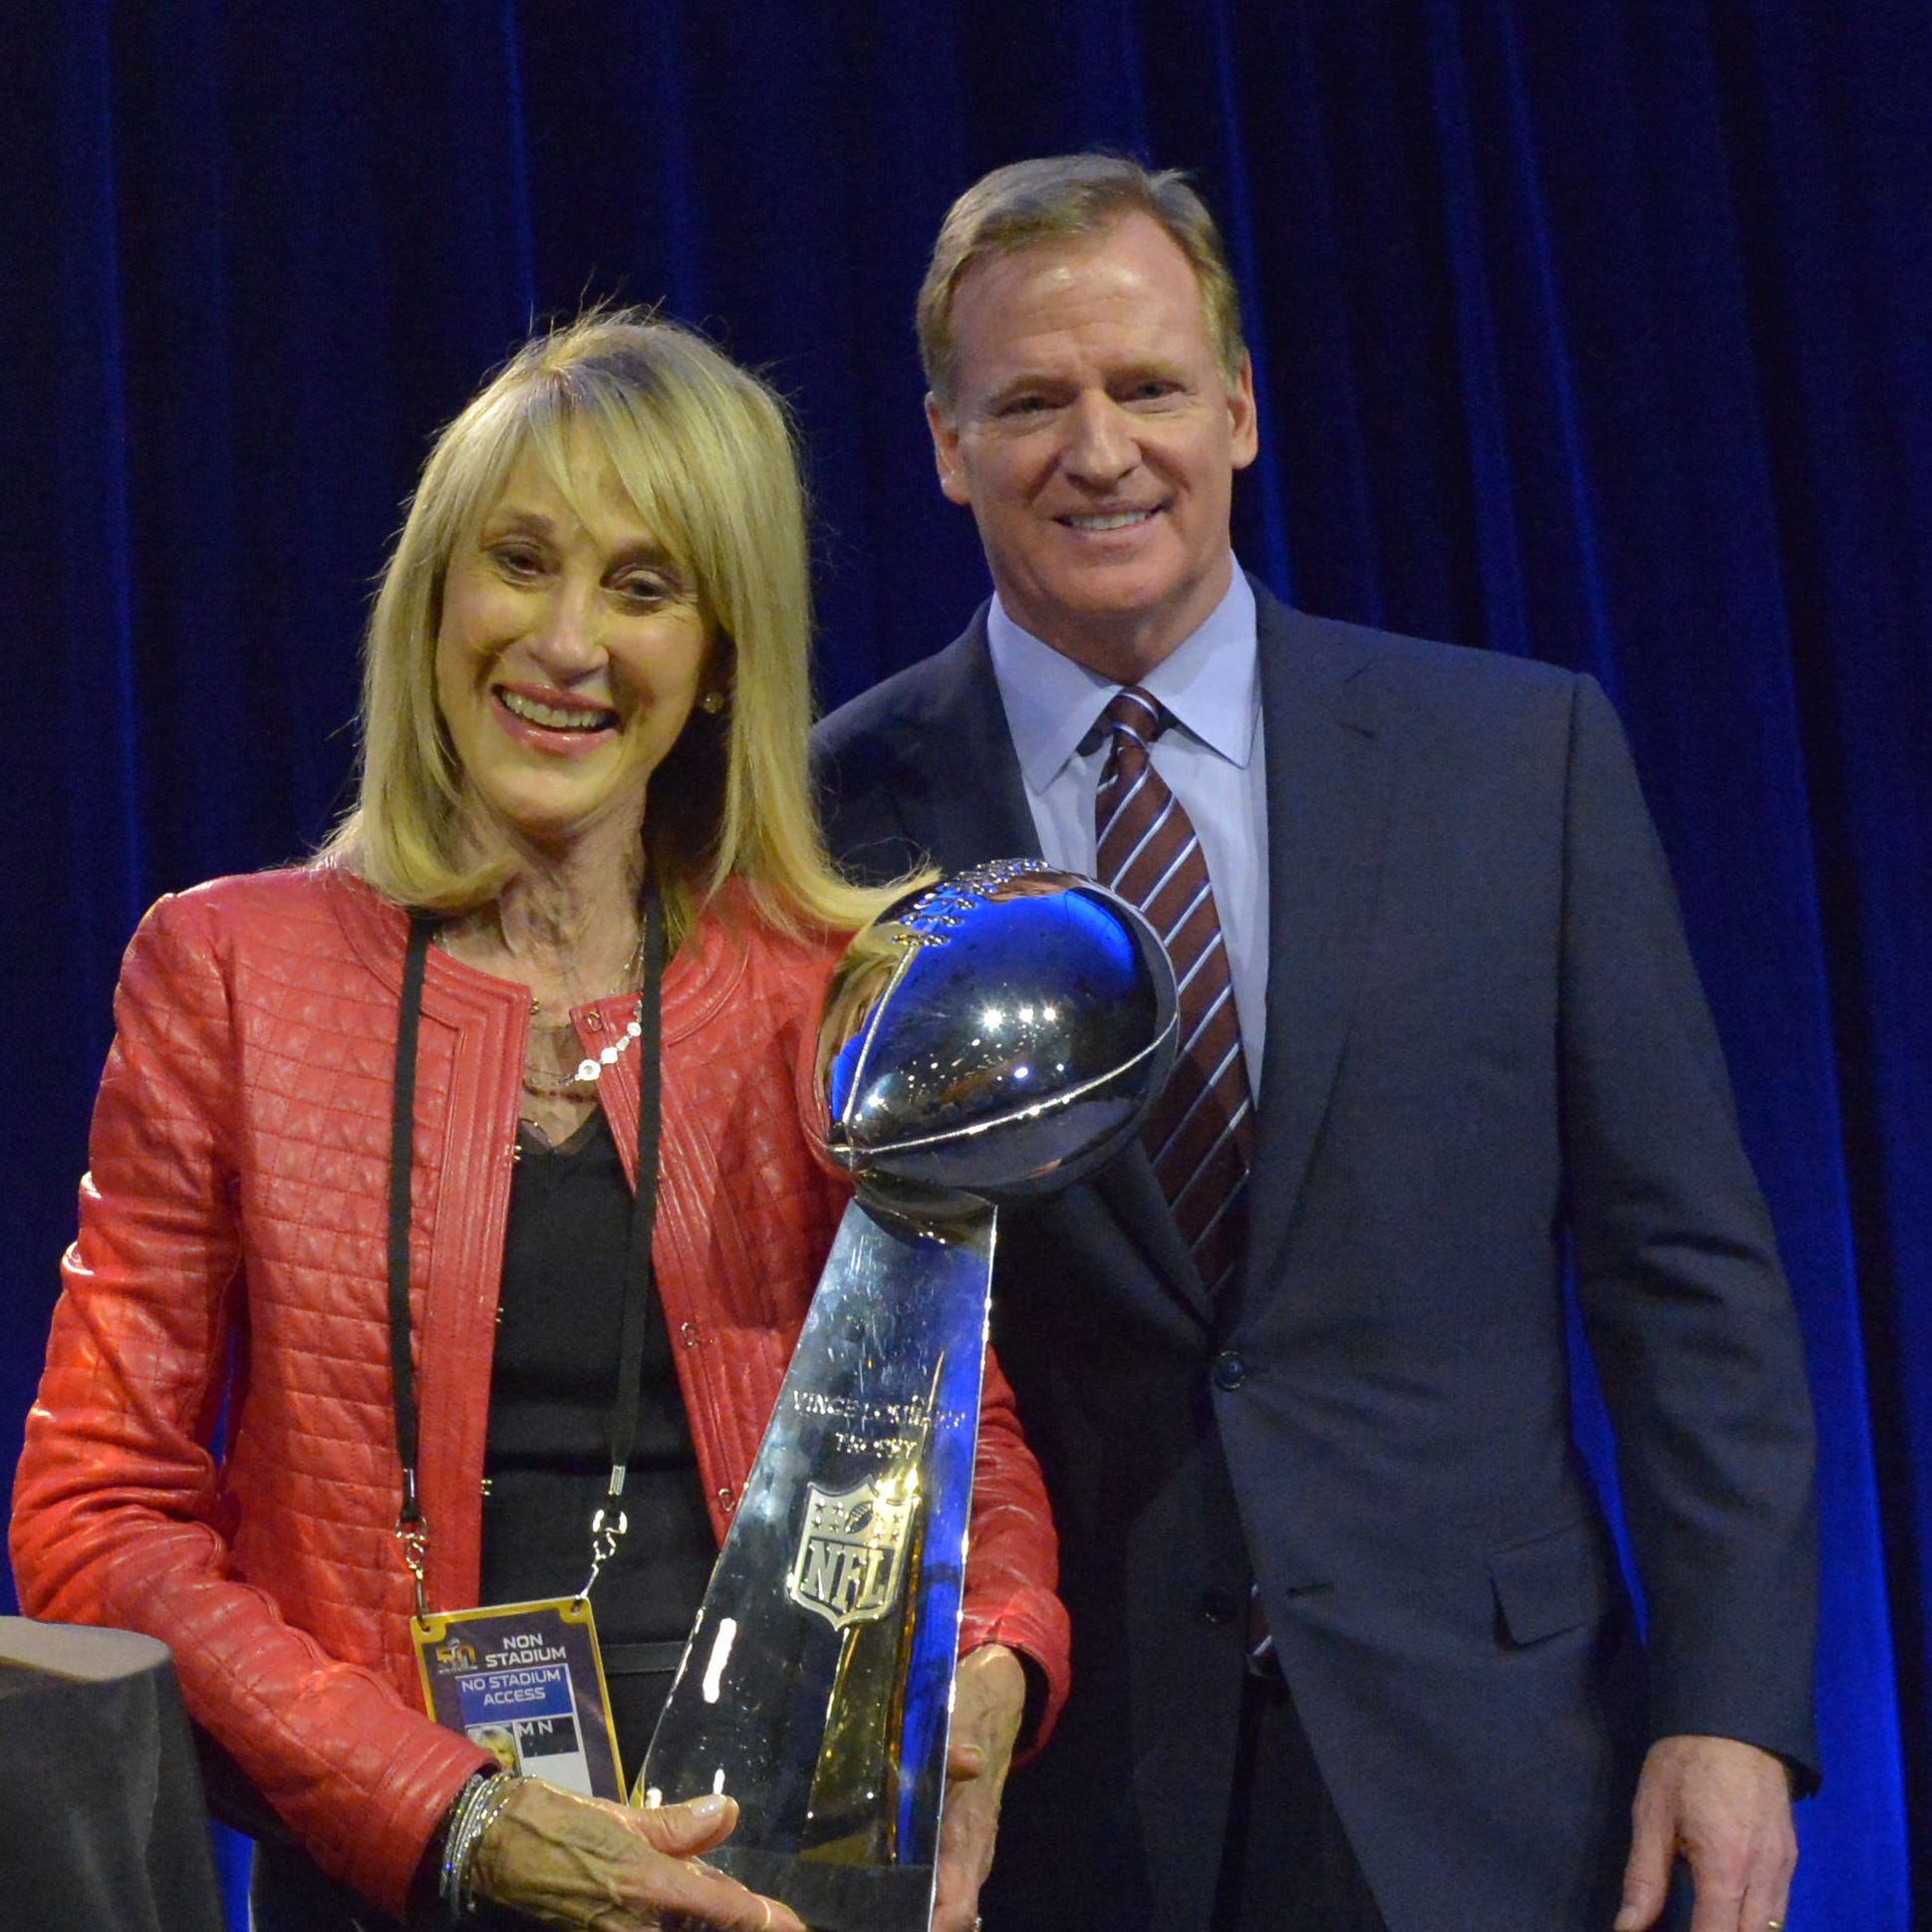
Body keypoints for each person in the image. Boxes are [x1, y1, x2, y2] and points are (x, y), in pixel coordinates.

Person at [813, 155, 1817, 1932]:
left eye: (1150, 387)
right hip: (1053, 1797)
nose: (1101, 450)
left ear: (1244, 410)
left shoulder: (1522, 761)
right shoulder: (825, 830)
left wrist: (1732, 1714)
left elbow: (1692, 1283)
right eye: (1033, 401)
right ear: (947, 444)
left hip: (1495, 1761)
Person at [11, 311, 1066, 1932]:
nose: (566, 642)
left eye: (643, 589)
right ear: (437, 595)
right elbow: (99, 1518)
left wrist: (988, 1671)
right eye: (519, 562)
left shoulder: (824, 995)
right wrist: (451, 1814)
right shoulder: (228, 973)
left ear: (721, 659)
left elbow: (954, 1444)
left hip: (775, 1861)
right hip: (395, 1852)